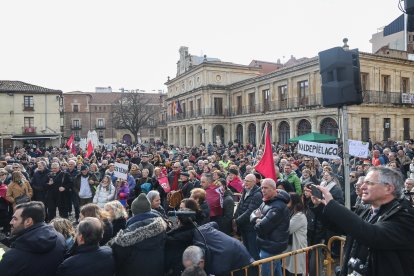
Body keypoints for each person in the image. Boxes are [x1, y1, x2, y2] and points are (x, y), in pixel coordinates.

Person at [311, 166, 414, 276]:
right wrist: (321, 206)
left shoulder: (405, 217)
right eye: (363, 182)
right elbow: (341, 227)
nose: (362, 187)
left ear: (388, 188)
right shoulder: (366, 211)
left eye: (369, 183)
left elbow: (371, 234)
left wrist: (333, 205)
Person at [0, 201, 66, 275]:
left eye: (15, 219)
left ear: (28, 221)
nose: (11, 222)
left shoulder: (12, 257)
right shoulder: (60, 238)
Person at [109, 193, 168, 276]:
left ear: (134, 212)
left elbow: (117, 259)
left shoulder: (127, 234)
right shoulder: (162, 226)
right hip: (157, 269)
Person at [251, 178, 290, 276]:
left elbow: (261, 228)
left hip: (271, 247)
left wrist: (256, 219)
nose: (262, 190)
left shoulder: (277, 207)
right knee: (276, 272)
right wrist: (257, 218)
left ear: (273, 189)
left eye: (265, 188)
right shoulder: (267, 201)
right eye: (261, 188)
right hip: (267, 245)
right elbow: (253, 213)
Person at [233, 173, 262, 260]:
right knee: (246, 249)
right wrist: (234, 217)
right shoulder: (245, 190)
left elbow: (250, 211)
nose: (245, 182)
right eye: (244, 180)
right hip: (243, 225)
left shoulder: (257, 194)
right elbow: (240, 205)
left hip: (251, 227)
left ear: (254, 182)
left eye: (247, 181)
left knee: (253, 251)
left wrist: (237, 221)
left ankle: (255, 270)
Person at [284, 193, 307, 276]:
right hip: (289, 246)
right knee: (288, 268)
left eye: (288, 200)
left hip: (297, 246)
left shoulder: (299, 215)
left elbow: (287, 228)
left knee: (295, 270)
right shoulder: (291, 211)